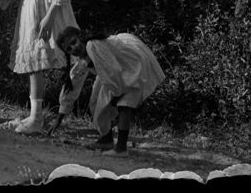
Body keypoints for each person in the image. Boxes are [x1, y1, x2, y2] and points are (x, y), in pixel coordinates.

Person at [0, 0, 79, 134]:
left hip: (48, 11)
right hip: (28, 14)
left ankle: (40, 117)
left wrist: (49, 18)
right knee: (33, 65)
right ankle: (35, 116)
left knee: (75, 61)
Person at [47, 26, 165, 154]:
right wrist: (59, 118)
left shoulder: (93, 46)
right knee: (96, 102)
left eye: (74, 42)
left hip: (133, 62)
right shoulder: (82, 60)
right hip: (114, 71)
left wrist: (116, 95)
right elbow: (73, 84)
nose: (74, 48)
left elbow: (113, 71)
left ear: (81, 37)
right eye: (69, 49)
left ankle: (121, 148)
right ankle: (106, 139)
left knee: (124, 103)